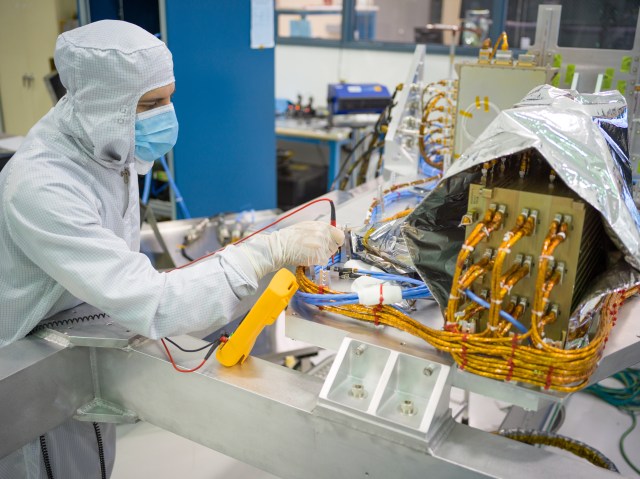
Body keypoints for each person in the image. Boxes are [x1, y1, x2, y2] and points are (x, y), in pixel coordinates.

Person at [0, 20, 343, 478]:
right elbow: (152, 303)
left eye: (168, 98)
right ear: (102, 105)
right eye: (150, 104)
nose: (165, 115)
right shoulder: (43, 186)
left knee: (92, 458)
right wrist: (266, 251)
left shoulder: (99, 136)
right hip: (30, 358)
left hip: (87, 313)